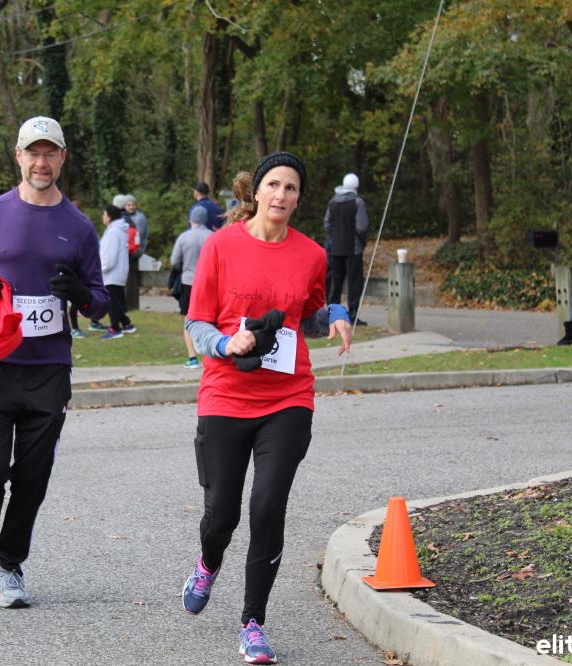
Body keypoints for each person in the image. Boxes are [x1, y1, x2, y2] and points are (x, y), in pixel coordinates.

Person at [180, 153, 353, 665]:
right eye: (273, 185)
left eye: (291, 188)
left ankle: (252, 622)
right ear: (256, 191)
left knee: (268, 507)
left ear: (299, 198)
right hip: (225, 394)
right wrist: (224, 345)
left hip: (288, 397)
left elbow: (310, 317)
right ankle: (208, 562)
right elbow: (196, 323)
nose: (281, 195)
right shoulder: (220, 245)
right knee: (222, 514)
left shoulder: (312, 254)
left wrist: (336, 313)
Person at [0, 115, 108, 609]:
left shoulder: (78, 227)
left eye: (50, 153)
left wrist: (80, 293)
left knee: (32, 477)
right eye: (33, 153)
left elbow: (101, 302)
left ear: (62, 158)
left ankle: (10, 566)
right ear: (18, 156)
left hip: (48, 368)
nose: (42, 162)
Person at [171, 204, 213, 368]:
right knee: (210, 320)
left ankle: (192, 358)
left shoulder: (184, 237)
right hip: (209, 282)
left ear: (191, 219)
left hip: (188, 281)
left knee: (189, 320)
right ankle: (209, 357)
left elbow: (174, 260)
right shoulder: (213, 236)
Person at [324, 173, 370, 325]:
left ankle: (333, 316)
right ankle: (352, 315)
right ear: (356, 186)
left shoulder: (333, 202)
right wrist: (362, 242)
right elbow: (361, 226)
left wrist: (334, 239)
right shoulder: (358, 202)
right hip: (353, 249)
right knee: (354, 283)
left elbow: (327, 224)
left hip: (335, 249)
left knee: (335, 283)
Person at [99, 204, 135, 340]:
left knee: (112, 302)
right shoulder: (116, 230)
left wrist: (101, 269)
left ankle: (115, 328)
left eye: (104, 214)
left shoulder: (114, 232)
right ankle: (126, 324)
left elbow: (110, 257)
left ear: (109, 217)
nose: (103, 217)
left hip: (111, 273)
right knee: (116, 301)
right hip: (117, 272)